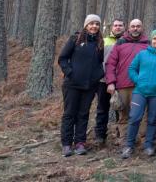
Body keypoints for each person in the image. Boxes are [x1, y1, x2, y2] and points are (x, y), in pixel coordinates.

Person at [121, 29, 156, 158]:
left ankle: (148, 145)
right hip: (140, 91)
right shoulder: (142, 54)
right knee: (134, 117)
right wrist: (137, 80)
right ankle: (129, 146)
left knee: (152, 119)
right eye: (154, 38)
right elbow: (132, 68)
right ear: (151, 40)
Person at [58, 14, 105, 157]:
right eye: (91, 24)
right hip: (72, 84)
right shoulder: (75, 39)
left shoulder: (99, 43)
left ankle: (80, 143)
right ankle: (66, 144)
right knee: (69, 114)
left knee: (83, 114)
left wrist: (98, 76)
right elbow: (63, 58)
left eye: (97, 24)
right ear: (86, 25)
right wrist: (70, 72)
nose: (94, 26)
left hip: (89, 86)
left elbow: (101, 62)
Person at [105, 19, 149, 139]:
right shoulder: (120, 42)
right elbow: (110, 64)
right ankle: (125, 140)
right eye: (133, 26)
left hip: (142, 85)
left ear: (142, 28)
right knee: (124, 114)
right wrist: (110, 82)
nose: (135, 29)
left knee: (142, 114)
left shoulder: (148, 43)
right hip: (123, 84)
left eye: (138, 26)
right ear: (128, 28)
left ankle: (140, 140)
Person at [94, 18, 125, 145]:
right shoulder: (104, 41)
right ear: (112, 27)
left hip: (121, 81)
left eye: (120, 25)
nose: (118, 27)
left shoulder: (126, 41)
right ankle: (100, 136)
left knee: (121, 109)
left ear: (124, 27)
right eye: (115, 25)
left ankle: (121, 135)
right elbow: (96, 60)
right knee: (102, 108)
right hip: (103, 81)